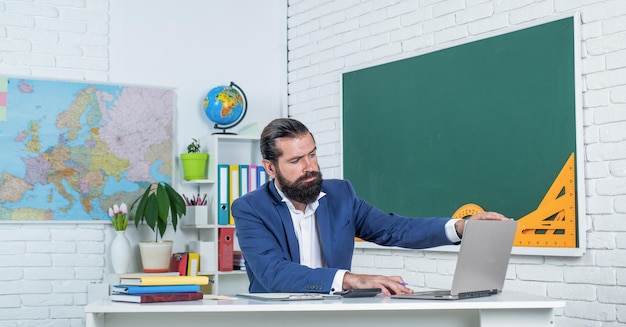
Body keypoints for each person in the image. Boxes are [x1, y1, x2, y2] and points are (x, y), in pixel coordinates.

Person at [232, 118, 510, 295]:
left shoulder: (340, 194)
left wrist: (461, 227)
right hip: (276, 320)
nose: (310, 168)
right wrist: (350, 280)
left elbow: (394, 228)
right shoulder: (250, 209)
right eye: (296, 161)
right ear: (270, 168)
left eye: (312, 155)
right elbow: (274, 273)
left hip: (335, 316)